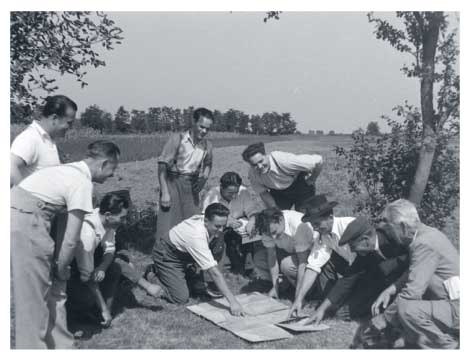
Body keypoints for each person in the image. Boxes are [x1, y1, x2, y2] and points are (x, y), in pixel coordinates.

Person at [11, 140, 120, 349]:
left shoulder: (66, 171)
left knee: (57, 288)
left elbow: (61, 222)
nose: (112, 175)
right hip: (26, 221)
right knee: (34, 300)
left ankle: (62, 346)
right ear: (104, 164)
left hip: (36, 221)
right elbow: (72, 236)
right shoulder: (81, 182)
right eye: (113, 169)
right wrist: (62, 266)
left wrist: (61, 265)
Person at [369, 199, 459, 349]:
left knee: (407, 309)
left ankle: (447, 347)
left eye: (391, 229)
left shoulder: (423, 243)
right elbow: (414, 271)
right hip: (453, 303)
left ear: (403, 227)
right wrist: (390, 289)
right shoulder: (428, 235)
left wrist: (384, 319)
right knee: (405, 308)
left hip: (458, 307)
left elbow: (413, 292)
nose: (390, 234)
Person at [67, 191, 164, 328]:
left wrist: (102, 268)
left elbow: (110, 250)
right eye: (122, 218)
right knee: (86, 299)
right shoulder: (88, 234)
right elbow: (87, 277)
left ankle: (101, 312)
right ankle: (89, 310)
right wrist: (104, 309)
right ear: (108, 215)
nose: (124, 222)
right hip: (72, 272)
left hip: (89, 263)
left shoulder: (108, 223)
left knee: (114, 268)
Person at [290, 216, 408, 322]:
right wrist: (321, 309)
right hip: (376, 283)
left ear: (365, 240)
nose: (351, 251)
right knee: (342, 313)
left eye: (353, 246)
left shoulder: (397, 238)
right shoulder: (365, 253)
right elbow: (346, 280)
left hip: (405, 283)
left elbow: (414, 266)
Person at [151, 203, 246, 316]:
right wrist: (233, 302)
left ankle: (189, 274)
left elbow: (224, 220)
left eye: (223, 225)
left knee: (218, 240)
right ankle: (152, 274)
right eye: (217, 226)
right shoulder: (196, 236)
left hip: (184, 253)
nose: (221, 229)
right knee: (180, 298)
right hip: (167, 255)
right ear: (206, 221)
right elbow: (214, 273)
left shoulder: (208, 217)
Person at [289, 195, 356, 314]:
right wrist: (299, 299)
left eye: (317, 224)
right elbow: (313, 267)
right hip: (350, 268)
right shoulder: (323, 236)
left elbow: (359, 266)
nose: (315, 229)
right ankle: (333, 299)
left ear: (330, 217)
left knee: (340, 313)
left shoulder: (349, 226)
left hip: (365, 271)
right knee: (323, 261)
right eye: (313, 225)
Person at [155, 107, 214, 243]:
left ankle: (184, 257)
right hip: (173, 183)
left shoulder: (207, 145)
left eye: (207, 129)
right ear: (193, 122)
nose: (204, 131)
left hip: (191, 186)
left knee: (191, 222)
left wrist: (203, 180)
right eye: (201, 127)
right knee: (168, 223)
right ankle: (162, 258)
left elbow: (208, 164)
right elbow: (162, 165)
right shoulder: (178, 139)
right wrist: (165, 192)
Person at [202, 171, 263, 274]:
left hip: (240, 223)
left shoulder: (243, 192)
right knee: (219, 237)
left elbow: (252, 211)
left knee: (254, 231)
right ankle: (220, 267)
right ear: (221, 187)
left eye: (236, 192)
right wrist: (228, 221)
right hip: (220, 226)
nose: (234, 196)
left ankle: (250, 267)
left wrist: (252, 222)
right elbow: (207, 216)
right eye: (230, 193)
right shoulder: (212, 195)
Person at [10, 95, 77, 187]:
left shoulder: (47, 140)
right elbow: (10, 166)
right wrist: (25, 196)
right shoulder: (30, 138)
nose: (70, 127)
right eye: (69, 123)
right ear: (54, 118)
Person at [253, 208, 319, 299]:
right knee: (259, 258)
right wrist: (275, 287)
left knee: (286, 264)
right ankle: (282, 284)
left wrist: (298, 297)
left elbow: (302, 263)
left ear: (280, 220)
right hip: (291, 252)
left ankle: (310, 290)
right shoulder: (267, 226)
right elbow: (271, 256)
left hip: (312, 256)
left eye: (274, 232)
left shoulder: (298, 225)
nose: (273, 237)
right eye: (269, 234)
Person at [241, 142, 322, 210]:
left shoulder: (284, 160)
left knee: (304, 218)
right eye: (254, 165)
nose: (259, 166)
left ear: (266, 155)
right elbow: (263, 193)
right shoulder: (253, 173)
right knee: (277, 219)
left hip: (300, 187)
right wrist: (275, 209)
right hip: (279, 193)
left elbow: (319, 160)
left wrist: (312, 179)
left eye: (261, 161)